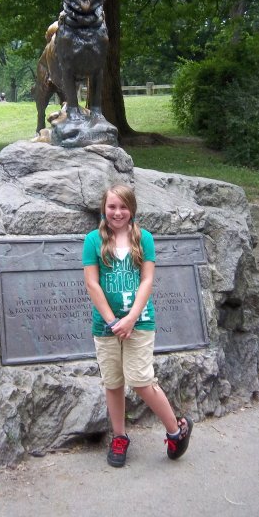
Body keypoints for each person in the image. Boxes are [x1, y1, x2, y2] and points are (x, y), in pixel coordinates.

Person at [83, 183, 193, 468]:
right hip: (106, 325)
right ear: (104, 208)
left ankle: (176, 430)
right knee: (113, 382)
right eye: (112, 207)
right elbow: (92, 283)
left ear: (132, 209)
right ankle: (119, 436)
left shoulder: (144, 239)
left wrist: (131, 317)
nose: (117, 212)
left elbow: (147, 280)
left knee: (141, 380)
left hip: (139, 322)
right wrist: (112, 321)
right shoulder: (93, 240)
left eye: (123, 207)